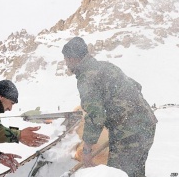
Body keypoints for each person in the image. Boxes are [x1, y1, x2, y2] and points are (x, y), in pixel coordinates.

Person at [62, 37, 157, 177]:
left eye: (66, 59)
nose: (66, 63)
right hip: (146, 126)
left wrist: (87, 150)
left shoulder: (87, 77)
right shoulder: (106, 66)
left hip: (128, 134)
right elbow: (136, 86)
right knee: (135, 172)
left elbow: (96, 114)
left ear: (72, 58)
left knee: (116, 174)